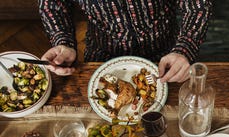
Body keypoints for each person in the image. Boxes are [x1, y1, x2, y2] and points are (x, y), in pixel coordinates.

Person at [38, 0, 213, 82]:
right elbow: (52, 5)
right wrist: (64, 42)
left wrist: (185, 48)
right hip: (102, 56)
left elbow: (198, 6)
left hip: (167, 56)